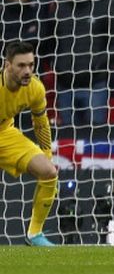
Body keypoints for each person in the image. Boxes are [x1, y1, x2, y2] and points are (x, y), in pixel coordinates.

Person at [0, 41, 58, 246]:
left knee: (49, 171)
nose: (28, 71)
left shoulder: (35, 89)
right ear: (8, 65)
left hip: (4, 133)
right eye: (21, 66)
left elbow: (41, 124)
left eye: (31, 65)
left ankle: (34, 235)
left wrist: (47, 154)